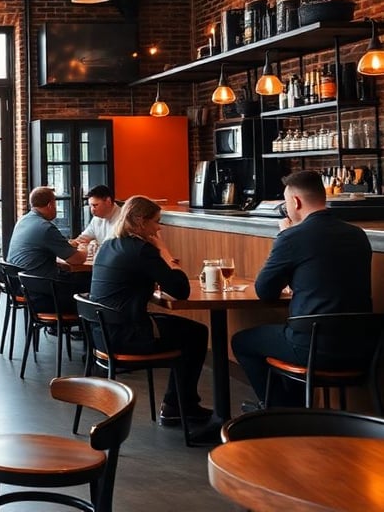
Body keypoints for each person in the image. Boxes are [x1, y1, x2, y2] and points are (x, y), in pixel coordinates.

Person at [231, 170, 373, 408]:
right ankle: (292, 411)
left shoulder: (292, 237)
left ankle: (281, 411)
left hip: (312, 348)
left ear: (295, 202)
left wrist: (284, 236)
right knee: (292, 335)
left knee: (242, 342)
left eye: (286, 204)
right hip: (362, 347)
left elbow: (264, 290)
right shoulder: (357, 235)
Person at [88, 195, 211, 425]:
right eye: (156, 221)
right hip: (127, 336)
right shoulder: (141, 250)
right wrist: (163, 250)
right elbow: (180, 290)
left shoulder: (109, 245)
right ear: (141, 222)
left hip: (102, 334)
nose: (158, 228)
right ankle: (180, 406)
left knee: (187, 330)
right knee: (196, 334)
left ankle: (179, 404)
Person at [7, 186, 90, 313]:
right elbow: (76, 260)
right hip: (42, 296)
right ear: (51, 204)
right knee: (88, 281)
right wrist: (86, 249)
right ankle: (92, 326)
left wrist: (67, 245)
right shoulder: (45, 227)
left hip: (21, 286)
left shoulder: (23, 220)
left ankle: (60, 326)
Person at [69, 185, 122, 250]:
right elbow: (84, 237)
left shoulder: (123, 219)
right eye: (90, 206)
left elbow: (112, 246)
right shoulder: (97, 218)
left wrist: (93, 244)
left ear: (108, 201)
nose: (92, 210)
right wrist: (73, 243)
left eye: (95, 205)